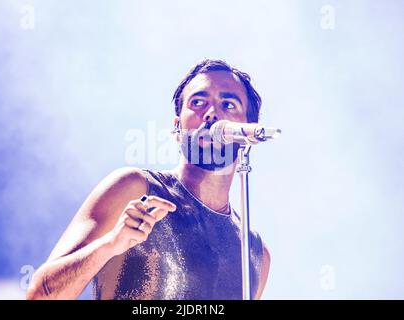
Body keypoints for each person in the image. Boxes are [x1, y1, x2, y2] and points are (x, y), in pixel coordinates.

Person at [26, 59, 271, 300]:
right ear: (177, 127)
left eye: (228, 105)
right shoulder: (135, 189)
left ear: (249, 131)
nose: (211, 114)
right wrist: (109, 245)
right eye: (198, 102)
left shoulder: (255, 253)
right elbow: (39, 296)